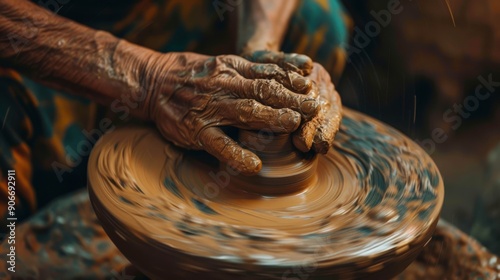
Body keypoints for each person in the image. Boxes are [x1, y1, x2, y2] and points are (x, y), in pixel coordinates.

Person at [0, 0, 349, 225]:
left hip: (160, 15)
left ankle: (239, 202)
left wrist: (257, 56)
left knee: (315, 22)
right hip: (37, 41)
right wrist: (150, 78)